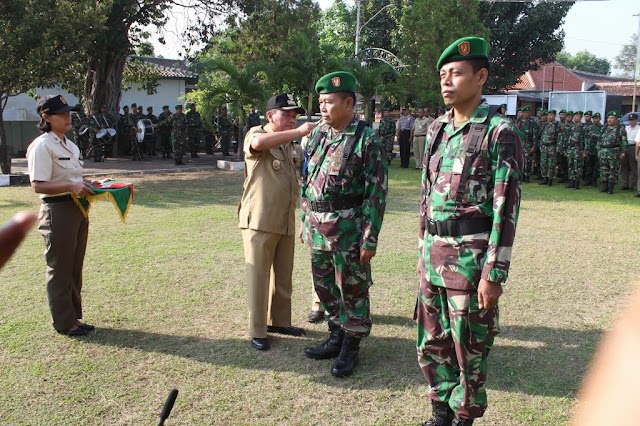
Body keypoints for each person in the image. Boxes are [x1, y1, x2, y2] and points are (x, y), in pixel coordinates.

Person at [417, 37, 523, 426]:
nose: (447, 81)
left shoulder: (499, 132)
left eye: (456, 74)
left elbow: (506, 207)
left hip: (471, 259)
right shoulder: (436, 129)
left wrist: (494, 273)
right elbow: (426, 197)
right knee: (432, 341)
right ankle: (439, 411)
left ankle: (465, 417)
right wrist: (421, 251)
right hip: (433, 255)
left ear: (481, 77)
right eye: (443, 75)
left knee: (468, 347)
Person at [301, 71, 388, 377]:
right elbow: (306, 179)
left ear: (349, 102)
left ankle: (352, 344)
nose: (323, 108)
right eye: (321, 102)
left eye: (329, 102)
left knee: (352, 288)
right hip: (316, 226)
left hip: (348, 230)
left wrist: (369, 238)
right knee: (323, 287)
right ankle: (336, 333)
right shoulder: (317, 135)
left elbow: (376, 193)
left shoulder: (367, 140)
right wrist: (304, 219)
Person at [238, 93, 317, 351]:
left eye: (295, 116)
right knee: (258, 276)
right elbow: (258, 144)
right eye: (287, 115)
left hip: (285, 218)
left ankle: (280, 321)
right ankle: (258, 329)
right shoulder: (257, 133)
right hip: (259, 219)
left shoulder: (292, 145)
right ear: (270, 115)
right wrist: (298, 132)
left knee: (283, 274)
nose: (292, 120)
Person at [26, 95, 98, 337]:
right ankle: (63, 322)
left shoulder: (69, 144)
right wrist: (71, 187)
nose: (68, 117)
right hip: (57, 210)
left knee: (74, 265)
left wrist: (87, 183)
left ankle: (73, 317)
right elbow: (38, 185)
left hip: (77, 208)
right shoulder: (42, 146)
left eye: (68, 112)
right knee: (60, 267)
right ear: (46, 117)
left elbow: (71, 178)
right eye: (61, 113)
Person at [598, 110, 627, 194]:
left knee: (613, 170)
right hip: (603, 151)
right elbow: (599, 140)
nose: (609, 120)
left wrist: (623, 152)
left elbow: (624, 142)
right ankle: (604, 186)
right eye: (608, 118)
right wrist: (599, 150)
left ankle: (611, 187)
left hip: (614, 152)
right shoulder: (604, 128)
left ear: (616, 119)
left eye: (612, 118)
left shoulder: (620, 129)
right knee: (604, 169)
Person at [539, 109, 562, 186]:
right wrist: (541, 145)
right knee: (543, 163)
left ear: (554, 116)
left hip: (552, 147)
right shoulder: (545, 125)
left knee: (551, 164)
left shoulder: (557, 125)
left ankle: (550, 179)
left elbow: (559, 137)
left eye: (551, 115)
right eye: (548, 115)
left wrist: (558, 148)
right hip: (544, 147)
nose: (549, 117)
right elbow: (541, 136)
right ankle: (544, 178)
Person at [516, 105, 538, 183]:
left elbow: (535, 135)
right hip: (521, 144)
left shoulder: (532, 123)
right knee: (520, 160)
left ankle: (527, 176)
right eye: (524, 113)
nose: (525, 114)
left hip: (529, 144)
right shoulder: (519, 122)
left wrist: (534, 146)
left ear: (530, 113)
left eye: (527, 113)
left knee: (528, 161)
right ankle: (521, 176)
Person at [565, 111, 585, 189]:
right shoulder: (571, 127)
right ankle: (571, 182)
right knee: (570, 166)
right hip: (571, 149)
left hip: (578, 150)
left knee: (578, 167)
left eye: (577, 116)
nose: (575, 118)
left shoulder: (583, 127)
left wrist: (585, 151)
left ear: (580, 117)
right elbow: (567, 139)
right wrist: (566, 149)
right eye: (574, 116)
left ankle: (577, 183)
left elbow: (586, 140)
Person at [621, 113, 639, 190]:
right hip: (625, 146)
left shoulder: (638, 129)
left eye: (633, 120)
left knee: (633, 167)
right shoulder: (626, 128)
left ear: (636, 120)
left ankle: (632, 185)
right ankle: (625, 184)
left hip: (633, 146)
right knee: (624, 166)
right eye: (630, 120)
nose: (631, 122)